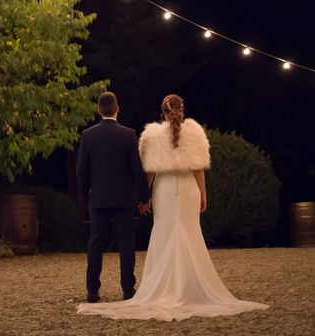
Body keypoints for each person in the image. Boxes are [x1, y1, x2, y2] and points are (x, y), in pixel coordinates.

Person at [77, 94, 269, 321]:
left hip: (162, 191)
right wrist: (203, 194)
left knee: (162, 234)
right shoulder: (194, 133)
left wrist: (144, 197)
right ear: (182, 108)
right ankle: (168, 286)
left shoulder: (150, 135)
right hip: (189, 189)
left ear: (163, 111)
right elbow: (198, 167)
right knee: (187, 233)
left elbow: (147, 171)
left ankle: (118, 289)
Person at [76, 91, 151, 303]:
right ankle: (128, 289)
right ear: (117, 109)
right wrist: (144, 197)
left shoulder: (88, 135)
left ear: (99, 111)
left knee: (96, 243)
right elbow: (137, 170)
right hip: (124, 198)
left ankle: (92, 290)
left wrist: (85, 197)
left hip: (98, 198)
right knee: (126, 243)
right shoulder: (128, 135)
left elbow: (82, 172)